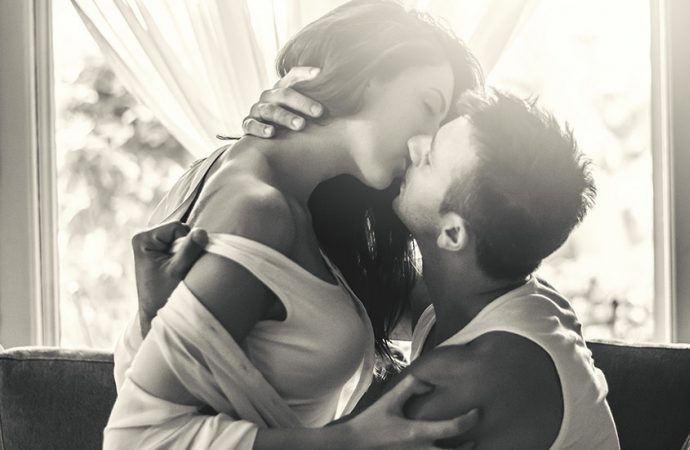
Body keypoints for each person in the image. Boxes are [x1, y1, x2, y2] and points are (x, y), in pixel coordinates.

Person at [133, 89, 621, 449]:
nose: (414, 147)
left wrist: (161, 315)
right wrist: (293, 135)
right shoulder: (500, 297)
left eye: (429, 159)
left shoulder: (462, 379)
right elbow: (347, 294)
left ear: (453, 234)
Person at [105, 1, 483, 448]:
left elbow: (433, 302)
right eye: (428, 105)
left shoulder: (306, 201)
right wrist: (352, 439)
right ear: (369, 73)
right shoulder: (256, 208)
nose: (425, 141)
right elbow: (138, 437)